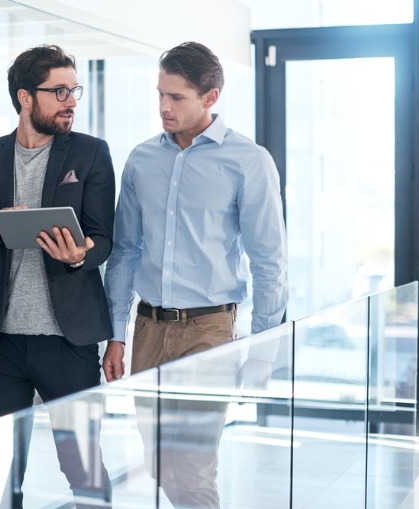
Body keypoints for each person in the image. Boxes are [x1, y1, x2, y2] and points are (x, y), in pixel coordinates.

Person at [103, 41, 289, 508]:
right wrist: (116, 335)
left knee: (192, 466)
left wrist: (263, 354)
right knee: (159, 463)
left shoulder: (249, 161)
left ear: (211, 97)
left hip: (209, 332)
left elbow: (269, 261)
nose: (164, 107)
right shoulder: (142, 160)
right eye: (160, 94)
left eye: (177, 97)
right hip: (147, 330)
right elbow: (124, 252)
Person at [0, 44, 115, 508]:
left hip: (69, 339)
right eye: (59, 91)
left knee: (82, 467)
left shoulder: (91, 153)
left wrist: (80, 255)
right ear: (25, 97)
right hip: (0, 344)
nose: (71, 100)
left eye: (74, 90)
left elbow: (104, 237)